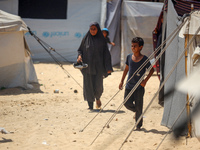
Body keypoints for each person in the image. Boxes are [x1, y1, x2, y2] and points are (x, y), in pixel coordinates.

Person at [119, 37, 154, 130]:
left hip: (139, 87)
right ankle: (137, 112)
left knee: (139, 104)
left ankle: (138, 125)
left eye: (135, 46)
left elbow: (151, 70)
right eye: (132, 46)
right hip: (129, 85)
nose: (133, 48)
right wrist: (122, 81)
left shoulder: (144, 59)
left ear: (140, 47)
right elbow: (126, 69)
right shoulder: (129, 57)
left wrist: (145, 81)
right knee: (126, 103)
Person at [77, 22, 113, 110]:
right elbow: (80, 50)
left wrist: (108, 67)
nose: (92, 31)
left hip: (99, 67)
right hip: (87, 67)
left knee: (98, 86)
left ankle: (97, 98)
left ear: (98, 29)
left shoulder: (102, 40)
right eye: (91, 29)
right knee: (88, 85)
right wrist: (79, 56)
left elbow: (106, 54)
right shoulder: (85, 39)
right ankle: (90, 106)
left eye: (94, 29)